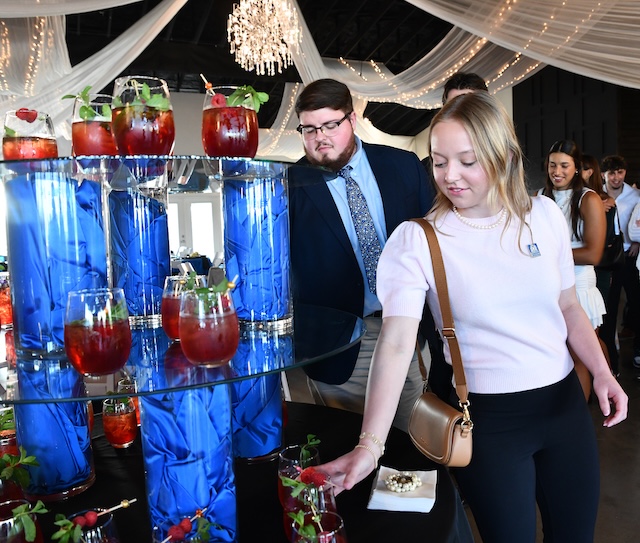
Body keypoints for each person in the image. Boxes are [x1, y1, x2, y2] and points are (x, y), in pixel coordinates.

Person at [321, 92, 628, 542]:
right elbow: (396, 342)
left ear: (504, 157)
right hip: (488, 422)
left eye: (467, 161)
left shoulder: (543, 216)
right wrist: (370, 446)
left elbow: (567, 307)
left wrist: (601, 372)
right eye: (439, 161)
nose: (450, 176)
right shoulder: (419, 240)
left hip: (565, 408)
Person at [287, 78, 436, 432]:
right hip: (339, 346)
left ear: (352, 120)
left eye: (330, 125)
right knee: (347, 442)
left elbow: (436, 241)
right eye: (309, 129)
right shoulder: (288, 185)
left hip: (408, 328)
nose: (320, 137)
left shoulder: (403, 165)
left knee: (410, 442)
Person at [539, 141, 607, 396]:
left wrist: (546, 255)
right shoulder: (540, 197)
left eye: (564, 165)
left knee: (578, 357)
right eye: (552, 165)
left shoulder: (588, 198)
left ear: (577, 167)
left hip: (578, 287)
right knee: (558, 358)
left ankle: (583, 414)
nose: (557, 171)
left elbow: (593, 254)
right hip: (548, 287)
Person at [600, 155, 640, 372]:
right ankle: (611, 359)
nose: (616, 177)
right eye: (612, 173)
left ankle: (637, 351)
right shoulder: (596, 194)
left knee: (636, 304)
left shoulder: (634, 195)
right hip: (608, 258)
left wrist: (637, 241)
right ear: (603, 175)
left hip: (629, 255)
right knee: (609, 307)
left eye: (620, 172)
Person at [582, 153, 618, 303]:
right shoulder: (572, 199)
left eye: (579, 169)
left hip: (599, 264)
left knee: (598, 309)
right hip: (575, 266)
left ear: (590, 172)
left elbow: (606, 238)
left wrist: (594, 211)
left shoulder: (606, 201)